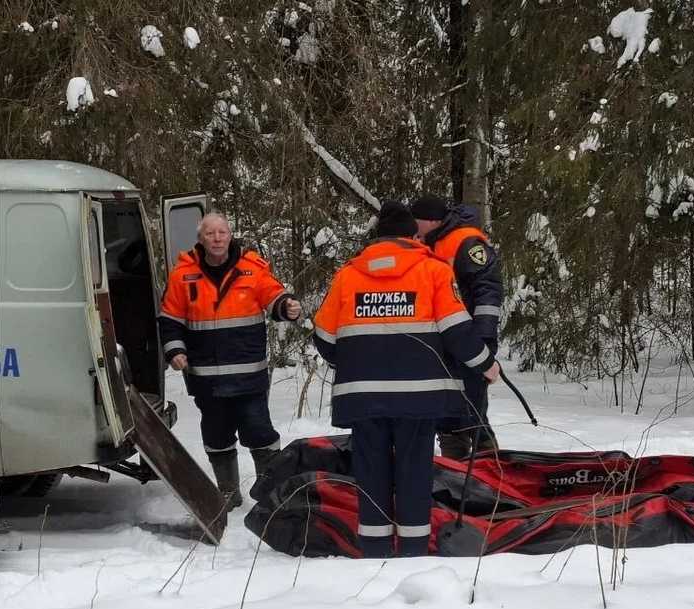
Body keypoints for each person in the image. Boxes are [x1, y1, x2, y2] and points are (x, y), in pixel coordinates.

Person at [313, 200, 500, 558]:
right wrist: (485, 364)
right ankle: (412, 551)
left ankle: (375, 551)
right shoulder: (432, 270)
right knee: (414, 472)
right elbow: (457, 330)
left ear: (376, 239)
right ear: (412, 237)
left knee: (371, 472)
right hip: (419, 397)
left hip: (363, 397)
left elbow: (324, 338)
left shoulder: (347, 276)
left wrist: (357, 363)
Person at [159, 212, 301, 510]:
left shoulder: (252, 269)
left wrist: (286, 306)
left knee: (260, 433)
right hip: (205, 378)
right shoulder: (182, 274)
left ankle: (270, 493)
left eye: (222, 232)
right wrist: (174, 351)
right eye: (210, 233)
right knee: (216, 436)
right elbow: (170, 320)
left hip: (248, 377)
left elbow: (273, 296)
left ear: (230, 235)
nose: (217, 238)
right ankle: (228, 492)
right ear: (200, 239)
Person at [410, 193, 504, 459]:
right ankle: (453, 465)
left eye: (417, 221)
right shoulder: (424, 244)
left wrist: (483, 338)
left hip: (468, 338)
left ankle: (490, 465)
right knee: (446, 411)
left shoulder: (466, 242)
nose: (413, 227)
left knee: (473, 409)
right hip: (438, 340)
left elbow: (488, 291)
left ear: (431, 221)